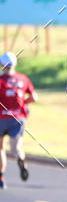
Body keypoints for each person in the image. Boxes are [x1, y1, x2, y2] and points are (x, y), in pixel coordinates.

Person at [0, 51, 37, 188]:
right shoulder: (23, 79)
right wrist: (22, 104)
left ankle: (1, 178)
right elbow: (34, 97)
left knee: (1, 148)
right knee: (17, 147)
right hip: (18, 118)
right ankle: (20, 159)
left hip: (2, 118)